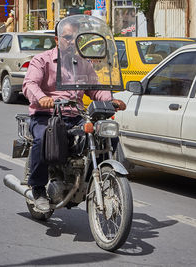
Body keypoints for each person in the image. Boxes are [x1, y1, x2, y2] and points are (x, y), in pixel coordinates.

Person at [22, 20, 126, 212]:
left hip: (75, 115)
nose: (72, 42)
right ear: (57, 39)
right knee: (42, 137)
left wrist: (111, 100)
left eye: (75, 38)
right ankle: (38, 189)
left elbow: (95, 90)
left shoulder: (83, 64)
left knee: (105, 134)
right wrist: (43, 98)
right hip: (47, 115)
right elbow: (30, 85)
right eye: (68, 37)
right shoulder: (42, 60)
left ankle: (100, 176)